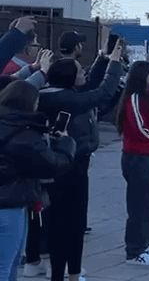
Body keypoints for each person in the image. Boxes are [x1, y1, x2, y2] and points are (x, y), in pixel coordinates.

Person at [38, 45, 124, 281]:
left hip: (59, 165)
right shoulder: (66, 99)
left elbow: (89, 84)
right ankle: (69, 273)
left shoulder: (51, 94)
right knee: (71, 224)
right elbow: (103, 92)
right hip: (70, 167)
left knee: (59, 223)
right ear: (69, 78)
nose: (83, 72)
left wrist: (102, 59)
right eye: (79, 70)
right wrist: (115, 63)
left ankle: (63, 271)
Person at [0, 81, 76, 281]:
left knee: (9, 262)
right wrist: (65, 143)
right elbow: (53, 165)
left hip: (11, 200)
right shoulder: (24, 135)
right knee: (6, 264)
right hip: (10, 203)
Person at [117, 61, 149, 266]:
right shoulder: (135, 99)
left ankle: (144, 244)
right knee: (139, 206)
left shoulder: (148, 98)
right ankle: (134, 250)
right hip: (138, 157)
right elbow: (143, 130)